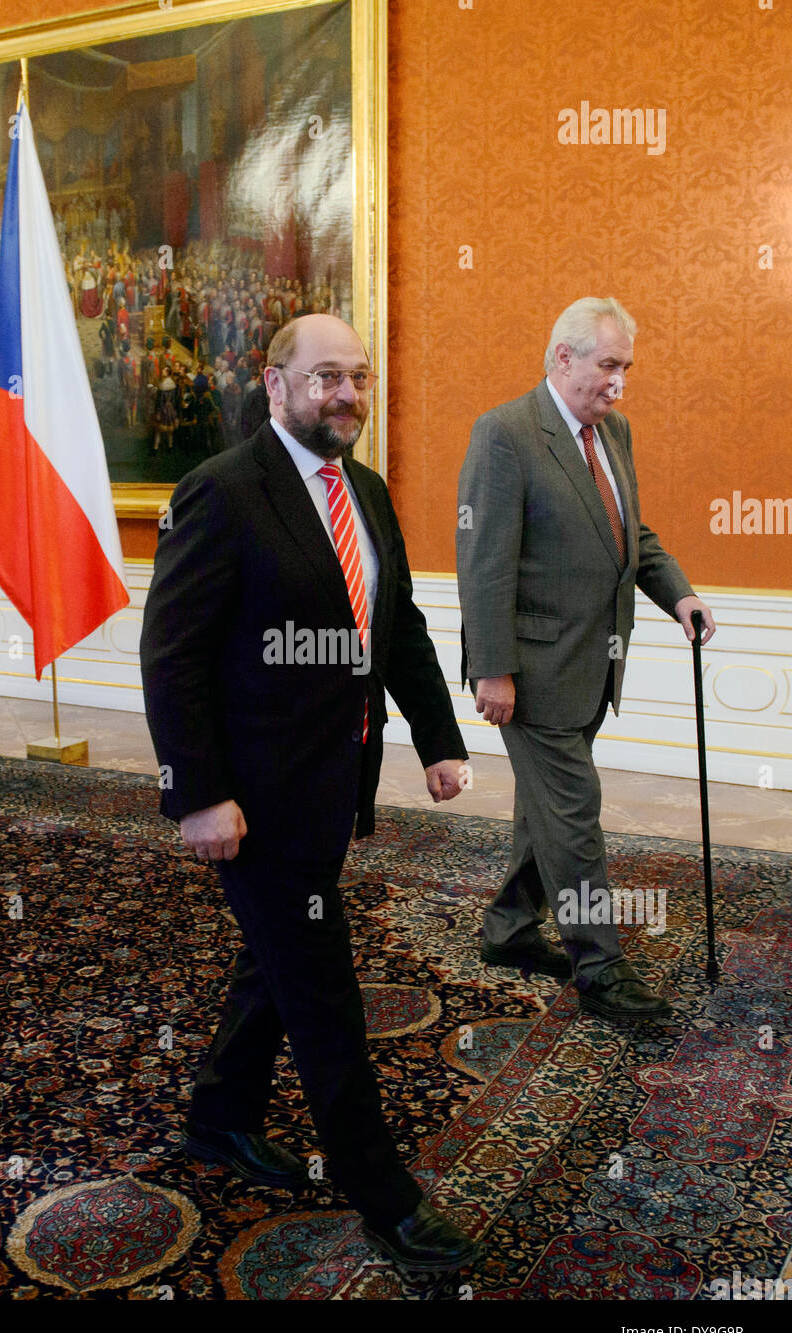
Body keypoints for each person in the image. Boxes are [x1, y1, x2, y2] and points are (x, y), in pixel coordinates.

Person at [140, 314, 478, 1271]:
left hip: (337, 780)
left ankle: (218, 1116)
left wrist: (436, 741)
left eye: (359, 377)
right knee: (325, 992)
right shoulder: (221, 492)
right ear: (274, 381)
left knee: (276, 964)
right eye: (326, 376)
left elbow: (396, 623)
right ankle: (384, 1194)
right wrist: (197, 794)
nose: (346, 395)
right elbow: (172, 657)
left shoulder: (362, 490)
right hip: (254, 799)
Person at [456, 297, 716, 1023]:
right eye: (607, 365)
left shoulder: (613, 432)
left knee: (544, 811)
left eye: (624, 367)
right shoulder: (504, 434)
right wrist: (491, 669)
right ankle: (598, 963)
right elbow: (482, 563)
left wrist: (679, 595)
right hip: (532, 673)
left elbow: (628, 532)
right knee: (574, 815)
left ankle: (507, 930)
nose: (618, 383)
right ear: (561, 358)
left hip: (595, 666)